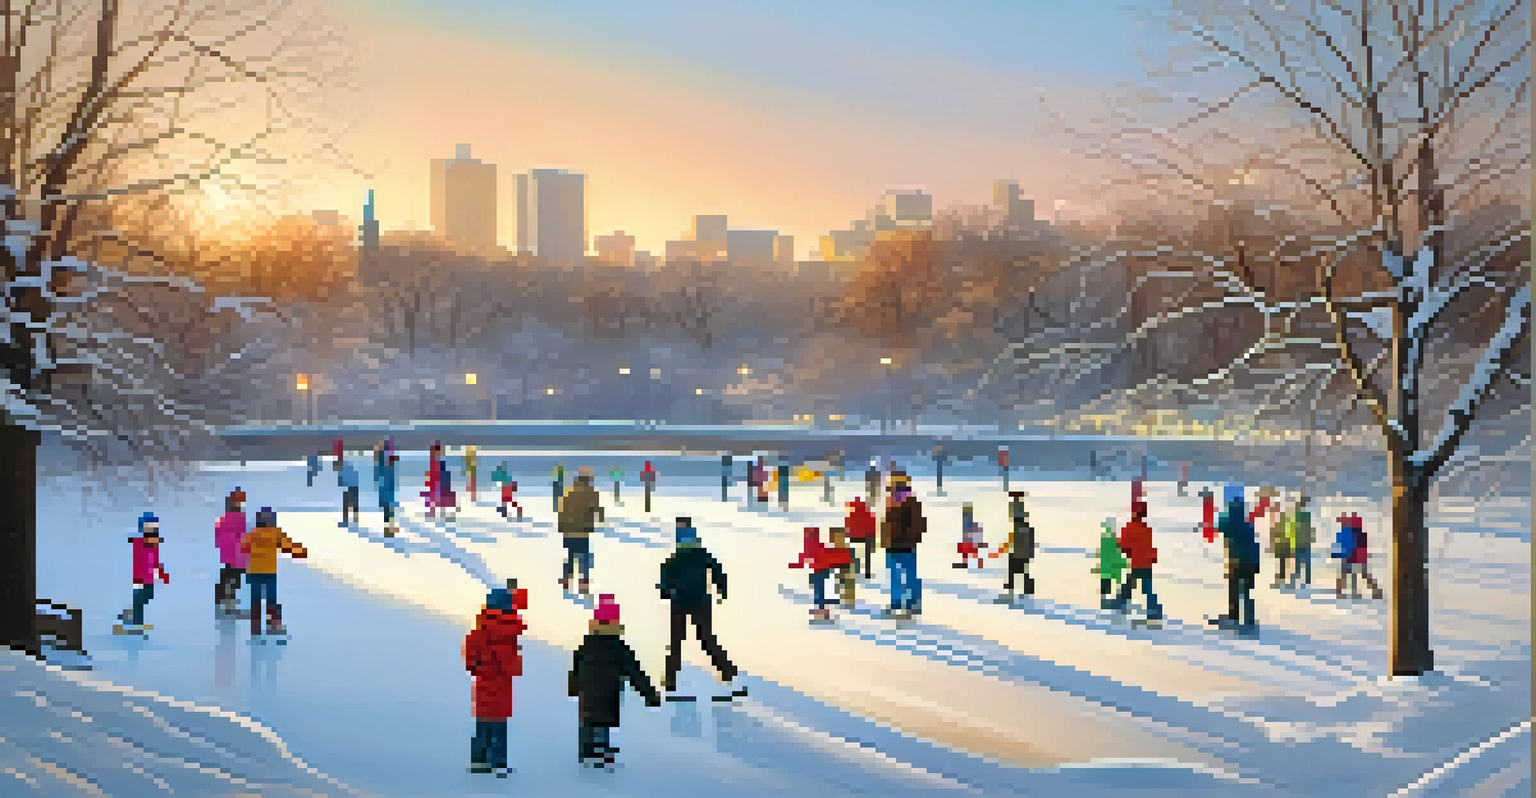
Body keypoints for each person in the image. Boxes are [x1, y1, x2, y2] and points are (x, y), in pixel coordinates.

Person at [569, 595, 661, 769]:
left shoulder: (586, 644)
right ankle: (600, 750)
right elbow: (635, 672)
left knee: (589, 719)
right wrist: (649, 694)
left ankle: (587, 750)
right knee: (602, 720)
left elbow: (576, 667)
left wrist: (574, 687)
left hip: (588, 692)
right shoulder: (619, 648)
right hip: (608, 693)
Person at [658, 518, 744, 696]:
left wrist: (665, 592)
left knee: (676, 641)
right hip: (700, 603)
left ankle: (670, 679)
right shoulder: (702, 554)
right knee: (706, 639)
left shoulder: (674, 558)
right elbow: (718, 571)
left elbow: (665, 578)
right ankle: (726, 669)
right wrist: (722, 589)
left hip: (680, 602)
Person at [464, 584, 527, 777]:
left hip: (483, 688)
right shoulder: (509, 636)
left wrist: (479, 668)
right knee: (499, 727)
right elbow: (514, 668)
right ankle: (498, 761)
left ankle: (479, 760)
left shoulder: (478, 632)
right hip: (502, 690)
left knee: (483, 725)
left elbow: (469, 659)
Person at [241, 507, 308, 637]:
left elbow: (243, 547)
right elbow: (288, 546)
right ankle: (274, 623)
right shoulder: (275, 533)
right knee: (271, 598)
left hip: (253, 570)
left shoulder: (252, 534)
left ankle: (255, 626)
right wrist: (302, 551)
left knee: (255, 598)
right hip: (269, 571)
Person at [1214, 485, 1260, 634]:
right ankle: (1241, 618)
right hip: (1250, 559)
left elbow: (1222, 525)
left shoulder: (1232, 516)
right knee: (1241, 589)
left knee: (1239, 589)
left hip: (1241, 560)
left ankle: (1245, 621)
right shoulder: (1244, 516)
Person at [880, 472, 926, 618]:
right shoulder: (890, 501)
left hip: (905, 544)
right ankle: (897, 602)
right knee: (895, 575)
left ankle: (913, 604)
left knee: (909, 575)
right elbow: (885, 523)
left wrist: (910, 538)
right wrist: (884, 539)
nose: (891, 488)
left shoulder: (911, 501)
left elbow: (917, 523)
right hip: (892, 544)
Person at [1112, 501, 1163, 620]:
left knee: (1129, 584)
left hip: (1137, 562)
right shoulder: (1146, 528)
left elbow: (1123, 544)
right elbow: (1149, 546)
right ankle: (1153, 609)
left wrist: (1122, 547)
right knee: (1147, 587)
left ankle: (1120, 603)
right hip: (1147, 562)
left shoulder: (1130, 527)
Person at [558, 466, 604, 595]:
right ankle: (584, 583)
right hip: (583, 530)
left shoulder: (569, 491)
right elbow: (597, 509)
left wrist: (561, 525)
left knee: (571, 555)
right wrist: (600, 519)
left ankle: (567, 579)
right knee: (584, 557)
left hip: (569, 530)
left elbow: (562, 509)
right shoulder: (591, 493)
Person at [790, 526, 851, 622]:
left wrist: (796, 565)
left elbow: (806, 557)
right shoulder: (819, 547)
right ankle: (820, 610)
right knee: (820, 592)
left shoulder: (814, 547)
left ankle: (820, 610)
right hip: (821, 571)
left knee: (820, 592)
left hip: (820, 571)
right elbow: (832, 557)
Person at [121, 513, 170, 628]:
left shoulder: (154, 546)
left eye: (154, 530)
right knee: (139, 600)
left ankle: (130, 615)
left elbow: (155, 562)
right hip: (139, 579)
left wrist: (162, 574)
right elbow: (135, 540)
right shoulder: (139, 543)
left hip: (149, 578)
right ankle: (136, 622)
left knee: (148, 595)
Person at [990, 491, 1036, 601]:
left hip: (1018, 553)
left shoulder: (1018, 529)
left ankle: (1012, 588)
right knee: (1022, 572)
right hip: (1023, 553)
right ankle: (1025, 589)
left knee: (1013, 571)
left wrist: (1001, 550)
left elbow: (1012, 541)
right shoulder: (1025, 528)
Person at [214, 489, 249, 618]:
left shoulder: (222, 519)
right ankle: (229, 600)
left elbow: (218, 535)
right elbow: (244, 536)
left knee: (227, 574)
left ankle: (220, 596)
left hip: (227, 553)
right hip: (238, 554)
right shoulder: (241, 519)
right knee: (235, 578)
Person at [1335, 513, 1383, 599]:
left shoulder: (1347, 533)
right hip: (1356, 556)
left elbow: (1344, 545)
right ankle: (1370, 591)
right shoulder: (1358, 533)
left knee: (1346, 575)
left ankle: (1343, 593)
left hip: (1350, 556)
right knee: (1360, 575)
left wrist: (1340, 554)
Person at [1093, 517, 1128, 609]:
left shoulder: (1104, 540)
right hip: (1115, 568)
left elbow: (1102, 554)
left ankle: (1105, 603)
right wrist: (1123, 564)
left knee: (1106, 587)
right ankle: (1118, 604)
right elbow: (1119, 554)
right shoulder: (1117, 541)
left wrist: (1099, 567)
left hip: (1106, 568)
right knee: (1118, 586)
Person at [844, 497, 878, 581]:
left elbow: (848, 526)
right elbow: (872, 527)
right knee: (867, 554)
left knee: (853, 552)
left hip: (854, 538)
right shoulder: (868, 513)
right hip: (867, 538)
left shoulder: (852, 514)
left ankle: (854, 570)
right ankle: (867, 572)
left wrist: (848, 535)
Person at [1289, 493, 1315, 588]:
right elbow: (1310, 530)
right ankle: (1306, 580)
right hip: (1305, 542)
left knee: (1299, 563)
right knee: (1305, 563)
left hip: (1299, 542)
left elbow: (1293, 530)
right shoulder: (1306, 516)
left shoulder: (1297, 515)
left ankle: (1299, 579)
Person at [1270, 493, 1295, 588]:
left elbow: (1279, 532)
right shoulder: (1283, 518)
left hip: (1283, 544)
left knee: (1282, 562)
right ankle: (1282, 577)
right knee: (1282, 562)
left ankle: (1282, 578)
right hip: (1284, 543)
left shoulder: (1281, 519)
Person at [375, 443, 399, 534]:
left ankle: (389, 527)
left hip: (387, 489)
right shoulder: (385, 468)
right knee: (389, 509)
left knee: (388, 509)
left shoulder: (386, 467)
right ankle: (388, 528)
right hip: (386, 490)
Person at [954, 503, 986, 569]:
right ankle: (968, 563)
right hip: (969, 539)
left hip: (971, 539)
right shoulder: (968, 526)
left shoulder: (972, 527)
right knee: (966, 543)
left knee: (968, 543)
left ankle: (975, 564)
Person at [335, 453, 361, 527]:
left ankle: (346, 521)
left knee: (346, 504)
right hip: (354, 486)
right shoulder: (349, 465)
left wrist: (341, 482)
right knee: (354, 504)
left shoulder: (343, 467)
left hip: (349, 486)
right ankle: (355, 520)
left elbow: (342, 479)